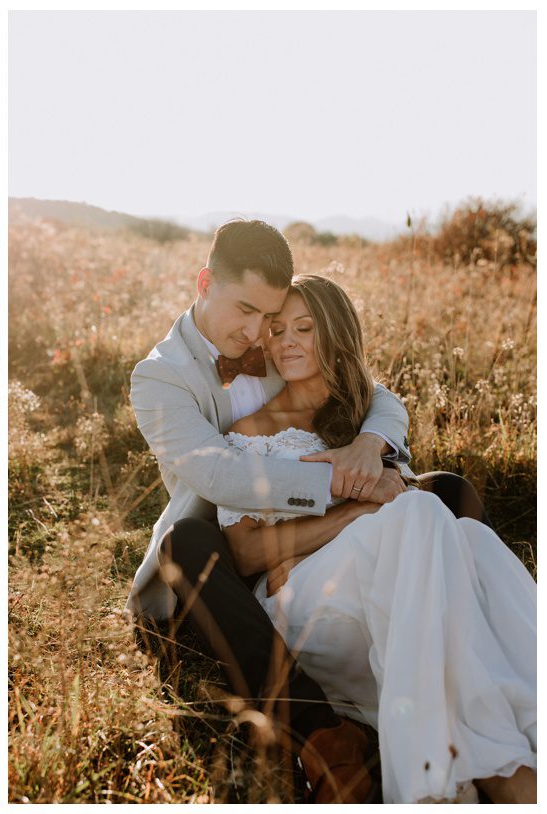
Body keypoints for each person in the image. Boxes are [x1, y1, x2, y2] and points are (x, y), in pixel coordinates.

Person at [124, 219, 488, 802]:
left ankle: (461, 632)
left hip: (310, 532)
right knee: (186, 545)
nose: (256, 332)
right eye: (244, 310)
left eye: (267, 318)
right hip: (221, 551)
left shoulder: (272, 340)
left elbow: (372, 391)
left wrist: (372, 446)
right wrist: (348, 487)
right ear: (203, 282)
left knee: (448, 490)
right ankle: (323, 735)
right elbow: (221, 475)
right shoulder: (159, 376)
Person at [218, 274, 535, 804]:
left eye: (304, 327)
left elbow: (397, 496)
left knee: (469, 542)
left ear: (336, 333)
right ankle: (456, 776)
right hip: (303, 602)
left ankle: (498, 757)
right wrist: (361, 510)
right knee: (420, 514)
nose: (287, 341)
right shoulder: (249, 431)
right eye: (276, 330)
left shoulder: (369, 414)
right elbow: (248, 552)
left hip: (390, 588)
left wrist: (379, 501)